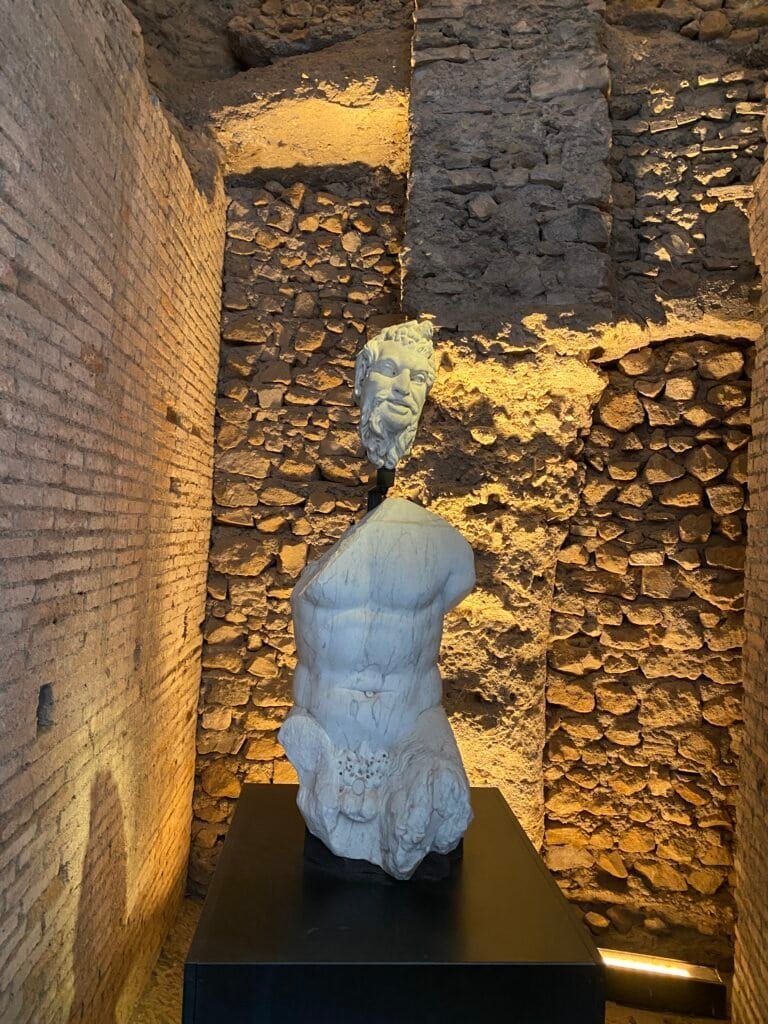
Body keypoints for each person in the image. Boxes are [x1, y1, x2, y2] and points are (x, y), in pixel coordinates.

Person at [278, 320, 474, 880]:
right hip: (327, 729)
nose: (401, 389)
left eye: (417, 378)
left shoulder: (445, 548)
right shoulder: (395, 545)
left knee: (437, 814)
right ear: (362, 380)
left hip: (410, 725)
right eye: (388, 371)